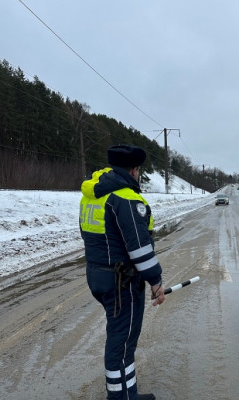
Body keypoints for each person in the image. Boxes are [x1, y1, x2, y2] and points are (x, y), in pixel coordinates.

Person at [79, 144, 165, 400]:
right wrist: (156, 282)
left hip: (97, 274)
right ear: (134, 169)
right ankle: (122, 397)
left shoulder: (91, 195)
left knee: (119, 336)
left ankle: (128, 393)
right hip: (121, 281)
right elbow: (140, 249)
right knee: (123, 342)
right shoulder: (126, 198)